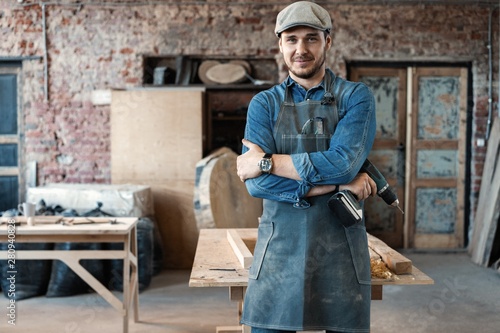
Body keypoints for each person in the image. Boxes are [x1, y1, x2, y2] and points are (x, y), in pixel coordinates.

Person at [236, 1, 377, 332]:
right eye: (292, 39)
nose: (301, 49)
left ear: (328, 41)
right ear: (280, 44)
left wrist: (267, 163)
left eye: (311, 38)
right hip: (279, 250)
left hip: (338, 249)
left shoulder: (356, 97)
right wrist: (339, 186)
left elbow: (343, 163)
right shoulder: (263, 104)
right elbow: (256, 185)